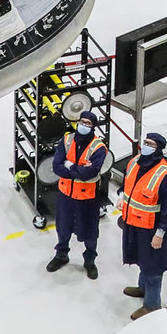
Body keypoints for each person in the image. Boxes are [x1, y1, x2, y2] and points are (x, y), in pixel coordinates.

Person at [115, 132, 167, 319]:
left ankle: (152, 305)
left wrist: (160, 233)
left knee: (153, 268)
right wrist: (121, 197)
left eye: (150, 144)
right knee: (141, 259)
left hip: (151, 229)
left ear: (158, 149)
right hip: (133, 224)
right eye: (145, 143)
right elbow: (127, 184)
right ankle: (142, 289)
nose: (146, 147)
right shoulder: (135, 162)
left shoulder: (165, 176)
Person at [45, 111, 109, 279]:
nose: (84, 125)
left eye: (88, 123)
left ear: (93, 127)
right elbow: (57, 167)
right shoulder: (67, 140)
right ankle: (61, 255)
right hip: (66, 195)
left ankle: (89, 261)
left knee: (90, 232)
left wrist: (70, 166)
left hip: (87, 198)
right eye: (82, 121)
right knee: (63, 228)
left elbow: (90, 173)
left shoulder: (99, 148)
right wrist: (78, 169)